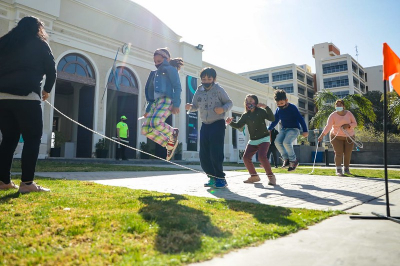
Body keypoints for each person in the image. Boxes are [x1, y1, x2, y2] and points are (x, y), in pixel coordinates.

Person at [0, 16, 56, 193]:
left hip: (2, 98)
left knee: (8, 139)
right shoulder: (39, 43)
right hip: (27, 97)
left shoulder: (4, 42)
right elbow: (51, 70)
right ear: (38, 28)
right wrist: (47, 90)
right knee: (32, 138)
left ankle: (3, 181)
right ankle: (27, 183)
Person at [185, 67, 233, 188]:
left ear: (214, 79)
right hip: (205, 125)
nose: (206, 81)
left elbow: (229, 103)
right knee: (204, 154)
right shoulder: (199, 90)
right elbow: (195, 105)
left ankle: (221, 178)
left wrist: (222, 109)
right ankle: (211, 177)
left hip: (217, 123)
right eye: (204, 78)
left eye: (209, 78)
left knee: (215, 152)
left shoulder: (218, 89)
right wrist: (190, 106)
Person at [141, 48, 183, 161]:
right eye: (155, 62)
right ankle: (169, 144)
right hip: (155, 102)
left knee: (155, 122)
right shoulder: (154, 74)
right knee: (145, 129)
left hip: (167, 99)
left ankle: (173, 132)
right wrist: (148, 110)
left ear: (167, 59)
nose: (156, 64)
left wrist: (176, 104)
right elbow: (151, 95)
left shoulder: (170, 69)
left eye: (159, 61)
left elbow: (177, 87)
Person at [226, 95, 276, 185]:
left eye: (251, 100)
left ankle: (271, 177)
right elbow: (238, 125)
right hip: (253, 140)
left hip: (264, 138)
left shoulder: (261, 111)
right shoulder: (246, 115)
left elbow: (272, 118)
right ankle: (254, 176)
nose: (249, 103)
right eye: (247, 101)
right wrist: (230, 123)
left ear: (256, 102)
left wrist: (266, 107)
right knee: (245, 157)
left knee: (262, 157)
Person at [268, 89, 308, 171]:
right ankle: (286, 159)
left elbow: (300, 119)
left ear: (286, 100)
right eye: (278, 104)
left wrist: (305, 130)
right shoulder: (278, 110)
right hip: (284, 129)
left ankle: (293, 160)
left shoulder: (292, 107)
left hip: (294, 129)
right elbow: (275, 120)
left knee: (286, 142)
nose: (280, 105)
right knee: (277, 142)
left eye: (282, 103)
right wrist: (269, 129)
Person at [318, 99, 357, 176]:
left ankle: (346, 168)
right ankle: (338, 169)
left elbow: (355, 123)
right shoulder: (333, 115)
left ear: (344, 106)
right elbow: (328, 126)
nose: (338, 106)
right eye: (337, 105)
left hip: (349, 137)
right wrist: (322, 135)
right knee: (338, 153)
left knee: (347, 153)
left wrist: (348, 125)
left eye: (340, 105)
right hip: (336, 137)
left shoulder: (349, 114)